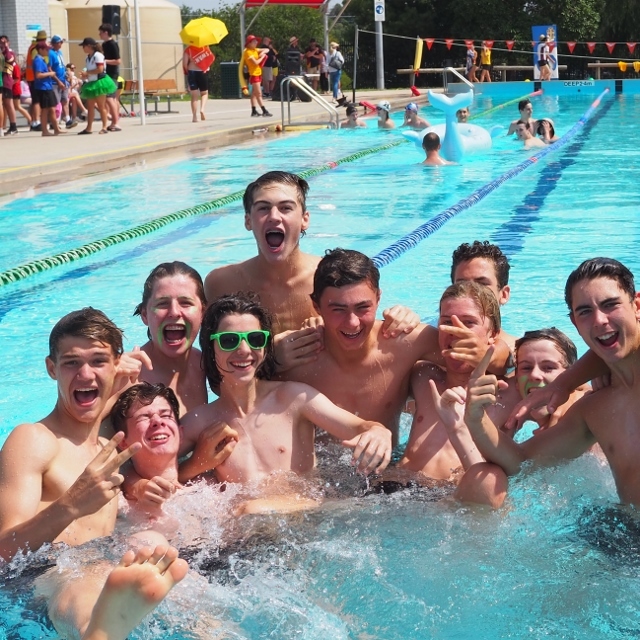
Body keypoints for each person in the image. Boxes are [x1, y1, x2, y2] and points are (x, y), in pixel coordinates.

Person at [0, 307, 187, 638]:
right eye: (71, 362)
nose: (85, 374)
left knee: (152, 543)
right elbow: (4, 553)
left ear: (116, 365)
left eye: (98, 361)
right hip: (41, 583)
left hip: (102, 563)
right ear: (51, 368)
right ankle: (96, 632)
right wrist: (71, 504)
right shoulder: (34, 439)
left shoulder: (107, 442)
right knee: (80, 579)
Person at [178, 293, 392, 513]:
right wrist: (195, 464)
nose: (243, 350)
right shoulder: (200, 422)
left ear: (265, 347)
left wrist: (378, 432)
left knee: (251, 509)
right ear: (210, 348)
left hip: (309, 519)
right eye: (229, 340)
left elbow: (361, 427)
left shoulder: (294, 399)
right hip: (246, 529)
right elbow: (158, 473)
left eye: (255, 339)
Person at [280, 249, 510, 445]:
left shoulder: (406, 342)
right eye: (338, 310)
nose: (352, 323)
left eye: (362, 308)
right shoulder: (294, 354)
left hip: (389, 471)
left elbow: (510, 357)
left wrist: (485, 355)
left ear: (378, 299)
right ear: (316, 306)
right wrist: (273, 360)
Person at [463, 257, 640, 507]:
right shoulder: (595, 410)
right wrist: (475, 418)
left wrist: (565, 382)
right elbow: (521, 462)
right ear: (575, 322)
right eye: (585, 312)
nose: (599, 320)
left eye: (610, 305)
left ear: (637, 306)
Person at [203, 172, 420, 356]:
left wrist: (401, 320)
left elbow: (363, 335)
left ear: (304, 219)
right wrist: (272, 360)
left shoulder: (333, 279)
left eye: (286, 208)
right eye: (263, 208)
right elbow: (213, 366)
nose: (274, 217)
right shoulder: (222, 284)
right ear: (248, 220)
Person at [399, 282, 516, 506]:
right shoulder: (422, 375)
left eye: (469, 322)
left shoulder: (509, 392)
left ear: (493, 334)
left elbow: (561, 387)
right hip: (395, 491)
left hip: (455, 501)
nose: (456, 331)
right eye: (446, 322)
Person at [133, 261, 208, 416]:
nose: (174, 312)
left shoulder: (205, 365)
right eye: (163, 304)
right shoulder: (131, 377)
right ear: (145, 315)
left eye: (185, 303)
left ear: (203, 312)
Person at [451, 240, 516, 351]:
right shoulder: (433, 345)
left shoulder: (521, 354)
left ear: (504, 294)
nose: (470, 291)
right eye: (462, 284)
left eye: (482, 284)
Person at [78, 37, 117, 135]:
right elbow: (90, 70)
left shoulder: (98, 55)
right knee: (90, 106)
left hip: (100, 83)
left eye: (84, 46)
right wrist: (85, 75)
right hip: (91, 83)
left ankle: (104, 127)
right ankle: (89, 128)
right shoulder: (87, 57)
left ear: (89, 46)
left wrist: (87, 73)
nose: (83, 48)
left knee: (101, 106)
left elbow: (100, 69)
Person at [32, 41, 66, 137]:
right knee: (45, 109)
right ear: (40, 50)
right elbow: (38, 75)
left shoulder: (42, 59)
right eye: (46, 49)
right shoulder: (38, 60)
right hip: (43, 88)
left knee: (52, 108)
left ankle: (56, 129)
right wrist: (50, 74)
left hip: (47, 86)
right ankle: (44, 131)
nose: (48, 51)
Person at [240, 35, 272, 118]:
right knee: (259, 93)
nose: (256, 43)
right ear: (249, 43)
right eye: (254, 41)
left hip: (258, 73)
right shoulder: (248, 52)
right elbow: (256, 62)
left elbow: (267, 49)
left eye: (256, 41)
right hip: (254, 74)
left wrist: (262, 53)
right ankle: (264, 110)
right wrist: (262, 57)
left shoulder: (255, 50)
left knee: (254, 94)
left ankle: (254, 111)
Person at [182, 42, 214, 123]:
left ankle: (194, 117)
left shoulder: (188, 49)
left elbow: (185, 64)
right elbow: (210, 58)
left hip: (192, 72)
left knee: (194, 96)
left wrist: (187, 72)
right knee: (204, 93)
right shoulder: (205, 47)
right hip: (202, 72)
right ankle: (202, 109)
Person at [48, 35, 74, 129]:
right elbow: (49, 68)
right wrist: (58, 81)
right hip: (55, 82)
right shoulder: (50, 53)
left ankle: (68, 120)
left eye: (61, 42)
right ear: (54, 43)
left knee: (65, 100)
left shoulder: (60, 52)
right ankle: (54, 122)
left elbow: (62, 65)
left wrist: (67, 74)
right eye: (60, 42)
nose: (61, 44)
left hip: (63, 80)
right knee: (56, 102)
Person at [99, 23, 122, 132]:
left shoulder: (113, 44)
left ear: (106, 32)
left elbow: (118, 61)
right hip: (106, 73)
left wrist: (105, 61)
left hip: (112, 74)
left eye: (101, 32)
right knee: (110, 98)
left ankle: (116, 122)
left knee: (110, 98)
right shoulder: (104, 44)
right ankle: (113, 122)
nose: (99, 34)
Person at [25, 29, 49, 132]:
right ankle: (37, 122)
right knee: (36, 101)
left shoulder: (32, 47)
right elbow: (38, 63)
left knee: (35, 101)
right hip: (34, 78)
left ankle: (34, 122)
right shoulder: (36, 49)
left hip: (31, 77)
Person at [0, 35, 18, 134]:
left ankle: (13, 127)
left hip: (6, 82)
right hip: (3, 81)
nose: (2, 44)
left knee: (9, 104)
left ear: (8, 42)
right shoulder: (2, 53)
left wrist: (6, 47)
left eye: (4, 42)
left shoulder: (10, 53)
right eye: (1, 42)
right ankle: (10, 126)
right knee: (6, 105)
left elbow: (10, 59)